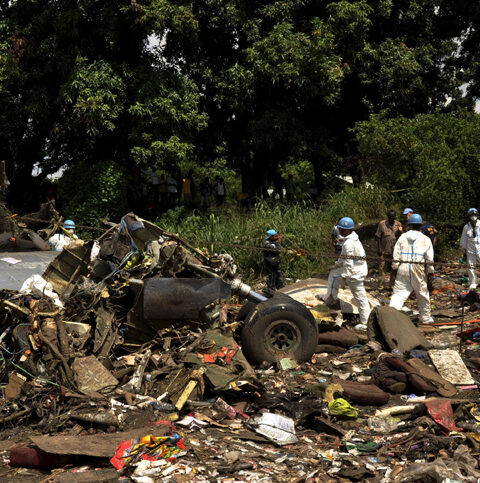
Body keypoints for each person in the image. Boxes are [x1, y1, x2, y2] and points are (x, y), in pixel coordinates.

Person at [325, 217, 371, 329]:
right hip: (359, 269)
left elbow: (348, 262)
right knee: (360, 296)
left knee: (359, 296)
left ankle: (331, 300)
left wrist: (346, 276)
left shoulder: (348, 243)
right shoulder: (353, 239)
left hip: (355, 271)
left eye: (340, 229)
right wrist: (336, 265)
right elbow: (344, 258)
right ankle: (366, 321)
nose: (339, 230)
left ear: (345, 230)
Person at [389, 214, 434, 323]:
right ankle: (425, 318)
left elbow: (396, 252)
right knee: (422, 294)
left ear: (410, 225)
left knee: (399, 293)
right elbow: (429, 258)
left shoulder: (403, 237)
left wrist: (395, 267)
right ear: (420, 225)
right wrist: (430, 271)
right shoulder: (426, 239)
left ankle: (390, 318)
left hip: (403, 266)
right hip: (418, 267)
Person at [375, 210, 403, 289]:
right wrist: (379, 249)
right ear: (388, 216)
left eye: (393, 216)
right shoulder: (382, 224)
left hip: (395, 251)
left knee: (394, 269)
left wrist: (401, 231)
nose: (391, 218)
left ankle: (392, 286)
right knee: (382, 269)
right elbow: (378, 237)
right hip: (384, 250)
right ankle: (381, 286)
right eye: (390, 216)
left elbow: (401, 238)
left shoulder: (398, 224)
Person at [460, 208, 480, 290]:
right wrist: (463, 249)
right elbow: (463, 238)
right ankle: (473, 282)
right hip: (470, 249)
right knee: (471, 266)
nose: (473, 216)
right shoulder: (466, 227)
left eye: (475, 215)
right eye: (471, 215)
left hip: (479, 248)